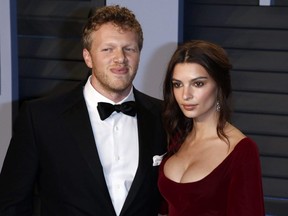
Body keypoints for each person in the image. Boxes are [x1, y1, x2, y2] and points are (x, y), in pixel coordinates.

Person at [0, 5, 167, 216]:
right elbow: (11, 204)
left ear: (139, 54)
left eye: (129, 49)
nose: (120, 58)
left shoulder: (164, 116)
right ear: (88, 57)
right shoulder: (41, 117)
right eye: (108, 49)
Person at [158, 40, 265, 215]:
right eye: (178, 84)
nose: (186, 95)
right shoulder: (176, 137)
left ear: (219, 85)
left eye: (198, 83)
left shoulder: (242, 150)